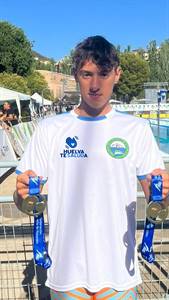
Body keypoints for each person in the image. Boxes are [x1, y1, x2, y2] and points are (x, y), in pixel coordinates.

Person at [14, 36, 169, 300]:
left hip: (119, 274)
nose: (95, 85)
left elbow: (160, 205)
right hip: (66, 275)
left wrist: (165, 193)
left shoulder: (137, 130)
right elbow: (23, 200)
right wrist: (23, 194)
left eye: (104, 74)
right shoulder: (50, 129)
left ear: (117, 74)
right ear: (76, 75)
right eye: (87, 74)